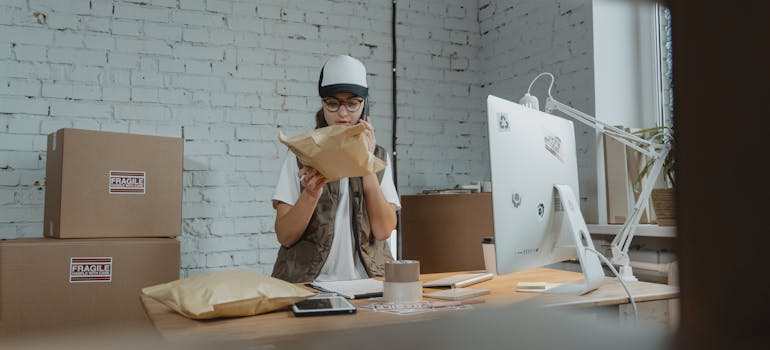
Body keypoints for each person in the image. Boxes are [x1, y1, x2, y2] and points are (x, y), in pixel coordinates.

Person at [271, 55, 400, 283]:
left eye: (352, 103)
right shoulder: (300, 155)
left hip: (367, 281)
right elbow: (285, 235)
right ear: (323, 104)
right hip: (308, 283)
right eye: (333, 103)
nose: (343, 113)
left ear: (364, 105)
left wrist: (366, 164)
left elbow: (384, 231)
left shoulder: (379, 156)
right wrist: (310, 195)